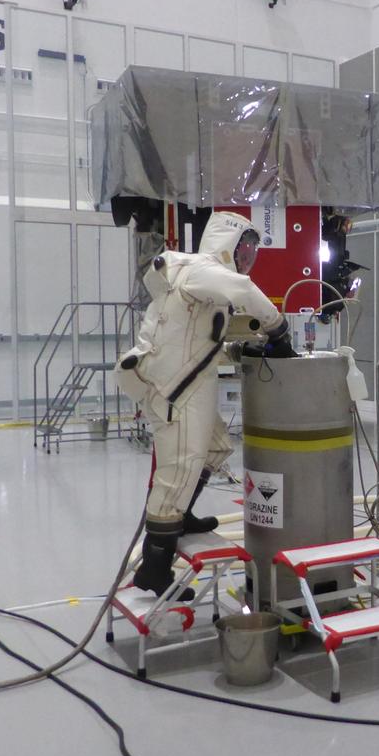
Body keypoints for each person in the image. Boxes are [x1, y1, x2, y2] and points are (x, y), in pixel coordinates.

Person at [117, 210, 297, 597]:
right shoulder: (202, 269)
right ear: (227, 245)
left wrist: (235, 350)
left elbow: (196, 342)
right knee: (178, 472)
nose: (247, 259)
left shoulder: (200, 281)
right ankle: (154, 568)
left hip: (188, 384)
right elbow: (244, 290)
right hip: (174, 392)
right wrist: (278, 328)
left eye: (252, 253)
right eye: (244, 250)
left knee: (216, 447)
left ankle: (181, 517)